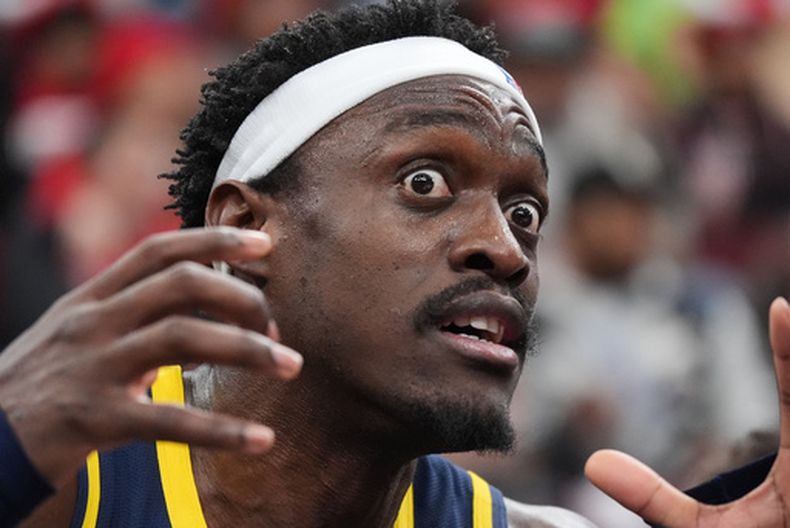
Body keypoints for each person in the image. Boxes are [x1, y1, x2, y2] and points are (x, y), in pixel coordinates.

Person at [0, 1, 789, 527]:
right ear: (245, 228)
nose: (506, 248)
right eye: (425, 183)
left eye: (526, 214)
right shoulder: (65, 482)